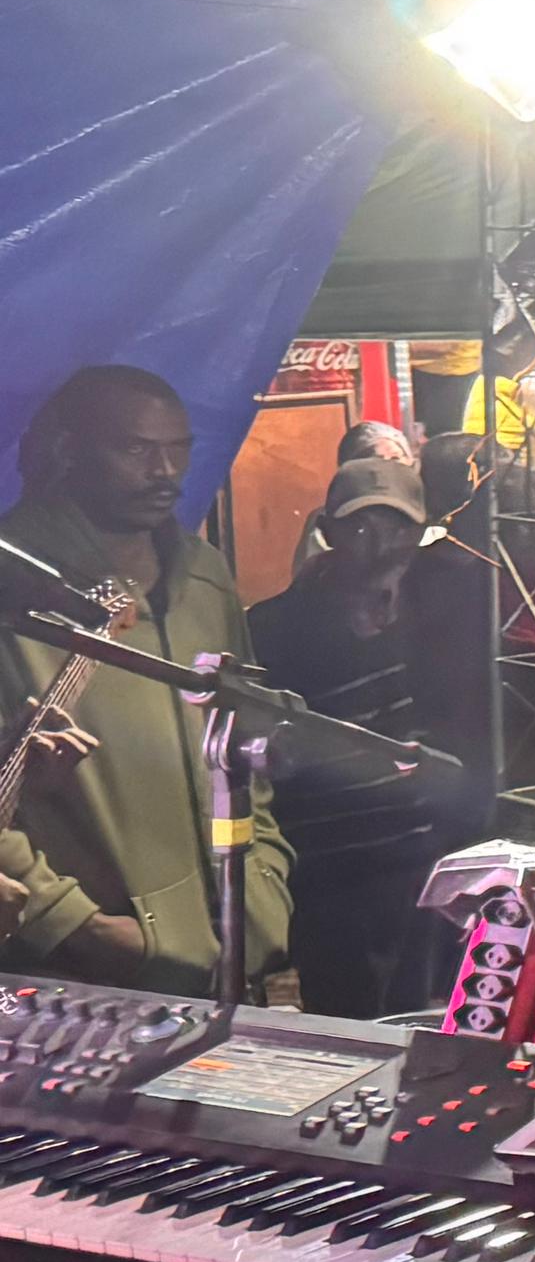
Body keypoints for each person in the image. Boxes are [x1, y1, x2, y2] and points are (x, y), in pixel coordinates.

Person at [0, 365, 292, 998]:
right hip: (82, 980)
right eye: (135, 449)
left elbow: (242, 745)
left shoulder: (205, 577)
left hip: (233, 957)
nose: (164, 472)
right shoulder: (14, 590)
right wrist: (81, 928)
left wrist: (262, 885)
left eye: (176, 450)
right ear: (68, 452)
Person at [246, 445, 478, 1016]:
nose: (379, 544)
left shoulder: (438, 615)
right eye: (361, 527)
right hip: (330, 872)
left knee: (421, 1017)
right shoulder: (277, 626)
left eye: (396, 527)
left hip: (417, 863)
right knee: (347, 1028)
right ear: (329, 531)